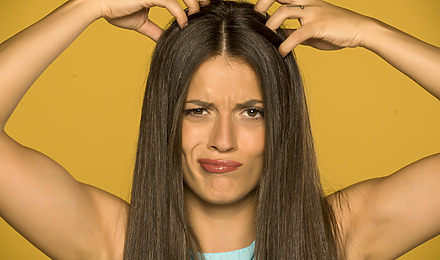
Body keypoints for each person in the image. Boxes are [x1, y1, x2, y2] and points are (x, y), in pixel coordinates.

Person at [0, 0, 439, 259]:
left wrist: (371, 32)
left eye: (252, 112)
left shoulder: (342, 235)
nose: (223, 140)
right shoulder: (114, 242)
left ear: (282, 121)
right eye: (197, 110)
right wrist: (86, 6)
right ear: (166, 119)